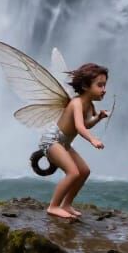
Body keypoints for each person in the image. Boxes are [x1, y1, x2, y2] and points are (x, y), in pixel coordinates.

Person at [39, 62, 109, 219]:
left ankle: (66, 204)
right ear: (85, 86)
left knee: (84, 171)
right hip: (52, 140)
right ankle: (53, 206)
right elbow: (79, 126)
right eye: (100, 85)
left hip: (64, 143)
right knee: (73, 172)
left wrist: (98, 117)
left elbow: (87, 124)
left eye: (105, 85)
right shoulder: (76, 103)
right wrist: (93, 140)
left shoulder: (89, 105)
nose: (104, 90)